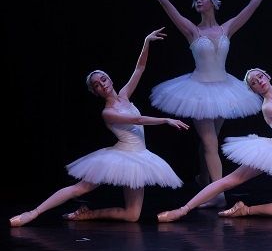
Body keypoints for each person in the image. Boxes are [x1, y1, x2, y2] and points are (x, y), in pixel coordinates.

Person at [121, 0, 272, 207]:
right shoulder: (192, 30)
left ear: (212, 1)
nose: (198, 1)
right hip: (197, 91)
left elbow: (252, 4)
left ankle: (203, 178)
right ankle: (218, 195)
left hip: (224, 90)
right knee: (210, 143)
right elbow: (166, 3)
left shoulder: (227, 28)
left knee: (209, 141)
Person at [156, 25, 272, 222]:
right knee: (231, 180)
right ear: (254, 90)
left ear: (267, 76)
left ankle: (245, 210)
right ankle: (183, 209)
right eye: (254, 83)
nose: (259, 81)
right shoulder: (268, 108)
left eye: (260, 77)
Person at [9, 28, 189, 227]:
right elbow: (137, 121)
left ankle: (87, 214)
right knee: (81, 188)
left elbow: (140, 68)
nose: (102, 85)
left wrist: (146, 42)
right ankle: (33, 213)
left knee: (132, 215)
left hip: (139, 156)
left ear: (110, 79)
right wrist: (165, 120)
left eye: (103, 79)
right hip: (122, 155)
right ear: (95, 92)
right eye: (96, 85)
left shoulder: (124, 95)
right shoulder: (108, 112)